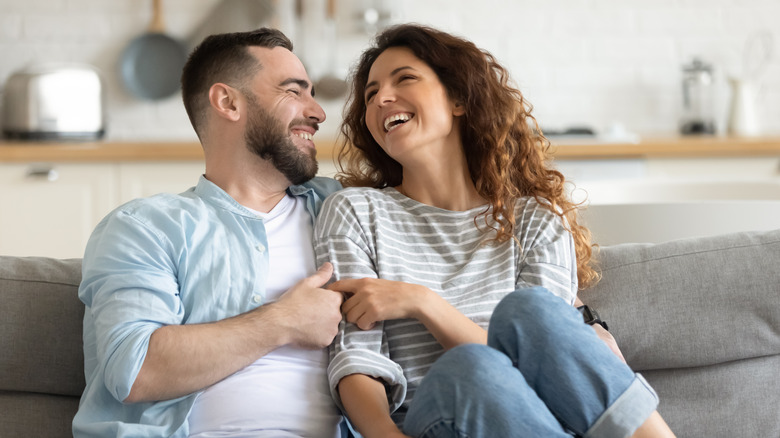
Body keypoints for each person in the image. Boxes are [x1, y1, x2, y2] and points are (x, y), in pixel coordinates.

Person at [313, 24, 675, 437]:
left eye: (405, 79)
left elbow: (554, 364)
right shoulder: (355, 212)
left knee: (533, 312)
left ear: (458, 99)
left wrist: (423, 303)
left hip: (537, 421)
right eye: (370, 94)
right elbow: (356, 361)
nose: (381, 99)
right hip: (439, 417)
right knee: (469, 368)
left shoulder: (537, 219)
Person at [73, 28, 347, 437]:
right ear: (228, 102)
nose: (319, 112)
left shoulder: (343, 209)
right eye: (294, 92)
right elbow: (135, 369)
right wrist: (284, 321)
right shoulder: (145, 227)